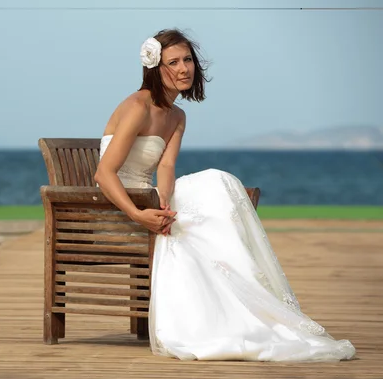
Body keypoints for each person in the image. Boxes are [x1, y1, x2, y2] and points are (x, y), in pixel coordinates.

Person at [94, 28, 356, 362]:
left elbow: (167, 167)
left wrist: (163, 202)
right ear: (154, 67)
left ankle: (246, 315)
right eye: (173, 62)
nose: (184, 68)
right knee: (212, 193)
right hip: (118, 205)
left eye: (187, 59)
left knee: (218, 186)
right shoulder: (137, 107)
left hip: (149, 197)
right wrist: (138, 214)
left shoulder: (177, 115)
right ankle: (221, 318)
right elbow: (103, 173)